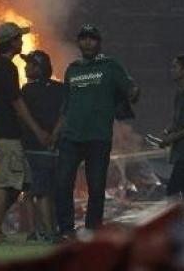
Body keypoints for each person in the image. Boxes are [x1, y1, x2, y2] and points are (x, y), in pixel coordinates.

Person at [54, 24, 139, 240]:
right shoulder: (72, 69)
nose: (88, 42)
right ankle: (66, 231)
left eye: (92, 39)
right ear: (79, 42)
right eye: (84, 39)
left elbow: (130, 88)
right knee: (63, 185)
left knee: (97, 188)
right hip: (70, 137)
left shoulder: (110, 66)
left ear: (98, 42)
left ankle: (92, 233)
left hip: (98, 137)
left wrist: (133, 93)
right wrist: (56, 133)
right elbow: (66, 105)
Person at [0, 23, 51, 244]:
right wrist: (38, 129)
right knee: (7, 183)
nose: (21, 42)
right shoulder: (5, 67)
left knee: (21, 182)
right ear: (11, 41)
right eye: (18, 38)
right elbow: (16, 101)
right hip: (6, 133)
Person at [20, 50, 65, 241]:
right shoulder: (61, 88)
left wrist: (40, 134)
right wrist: (55, 135)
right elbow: (66, 114)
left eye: (29, 64)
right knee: (52, 191)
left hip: (33, 148)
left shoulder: (27, 91)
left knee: (39, 191)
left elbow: (22, 115)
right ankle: (45, 230)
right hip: (56, 148)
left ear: (38, 68)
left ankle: (48, 231)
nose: (25, 67)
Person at [160, 55, 184, 207]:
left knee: (172, 190)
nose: (172, 70)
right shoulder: (180, 93)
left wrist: (172, 138)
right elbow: (177, 119)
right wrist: (166, 132)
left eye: (175, 67)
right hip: (181, 151)